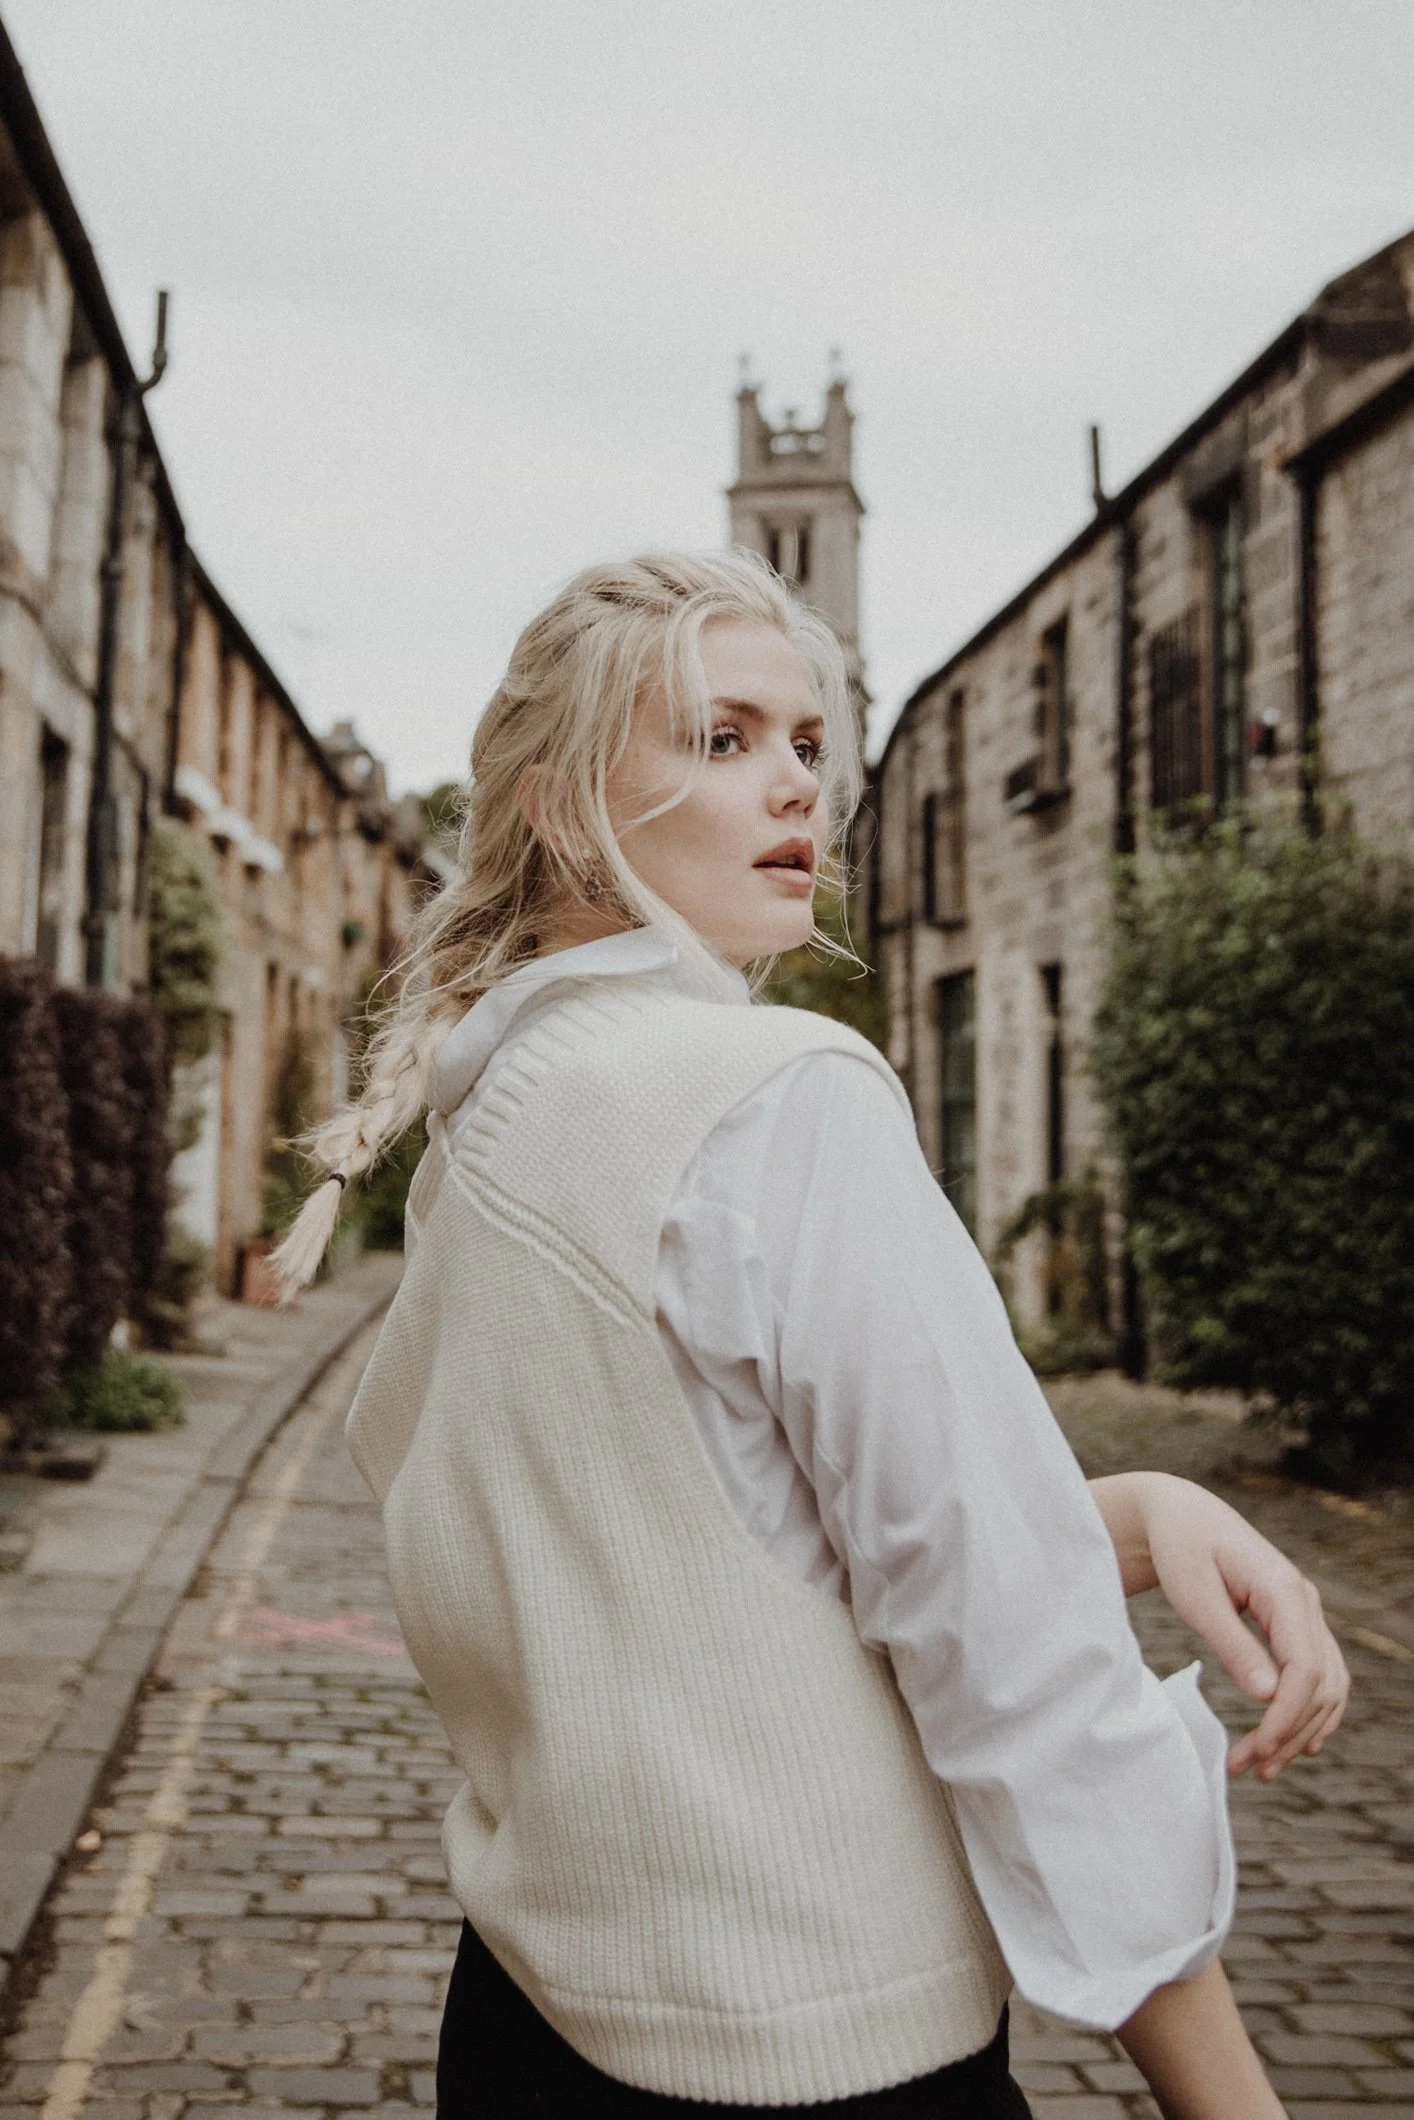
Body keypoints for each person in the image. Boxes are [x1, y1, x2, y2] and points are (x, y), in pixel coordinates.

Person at [274, 550, 1347, 2119]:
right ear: (561, 805)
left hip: (528, 2028)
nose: (793, 786)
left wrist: (1130, 1511)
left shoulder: (491, 1120)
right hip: (809, 2056)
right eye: (721, 740)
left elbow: (722, 1550)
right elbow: (1020, 1672)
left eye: (804, 744)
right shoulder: (776, 1100)